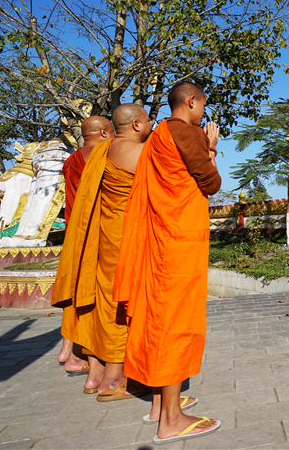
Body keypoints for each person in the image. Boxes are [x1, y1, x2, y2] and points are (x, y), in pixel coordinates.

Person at [114, 82, 221, 444]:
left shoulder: (159, 133)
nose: (203, 113)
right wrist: (211, 147)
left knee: (158, 314)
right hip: (177, 241)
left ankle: (161, 405)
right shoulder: (186, 133)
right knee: (175, 319)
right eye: (202, 106)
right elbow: (211, 183)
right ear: (191, 101)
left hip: (159, 238)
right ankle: (171, 420)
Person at [52, 105, 152, 399]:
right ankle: (114, 376)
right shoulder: (126, 152)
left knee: (93, 301)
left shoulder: (79, 159)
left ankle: (93, 372)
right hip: (119, 234)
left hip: (85, 234)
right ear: (107, 132)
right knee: (118, 303)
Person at [56, 116, 114, 380]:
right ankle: (85, 358)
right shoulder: (104, 154)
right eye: (113, 133)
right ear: (103, 133)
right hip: (96, 233)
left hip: (73, 232)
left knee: (75, 291)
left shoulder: (72, 159)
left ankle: (69, 351)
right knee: (92, 295)